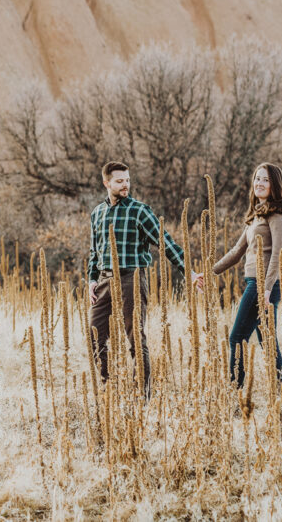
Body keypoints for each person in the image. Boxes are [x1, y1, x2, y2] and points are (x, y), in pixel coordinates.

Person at [87, 162, 197, 393]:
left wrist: (189, 272)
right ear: (106, 183)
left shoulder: (139, 210)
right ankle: (108, 387)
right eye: (119, 181)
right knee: (95, 335)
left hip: (132, 279)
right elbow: (94, 251)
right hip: (104, 281)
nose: (125, 185)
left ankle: (142, 394)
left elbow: (165, 243)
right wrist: (92, 279)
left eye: (127, 180)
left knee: (135, 337)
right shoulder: (97, 213)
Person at [195, 163, 282, 388]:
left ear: (274, 184)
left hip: (263, 284)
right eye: (257, 178)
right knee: (267, 340)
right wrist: (208, 273)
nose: (259, 183)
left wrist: (266, 289)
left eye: (265, 180)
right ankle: (279, 388)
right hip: (254, 282)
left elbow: (279, 253)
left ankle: (235, 390)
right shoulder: (257, 215)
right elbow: (236, 252)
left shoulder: (278, 214)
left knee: (236, 337)